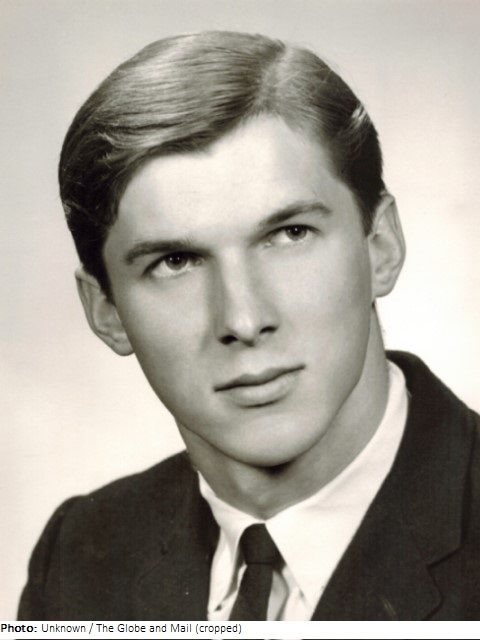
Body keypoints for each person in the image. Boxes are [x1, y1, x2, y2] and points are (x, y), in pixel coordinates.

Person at [18, 30, 480, 621]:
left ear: (381, 247)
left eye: (290, 234)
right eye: (176, 262)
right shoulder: (80, 555)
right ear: (106, 311)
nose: (243, 319)